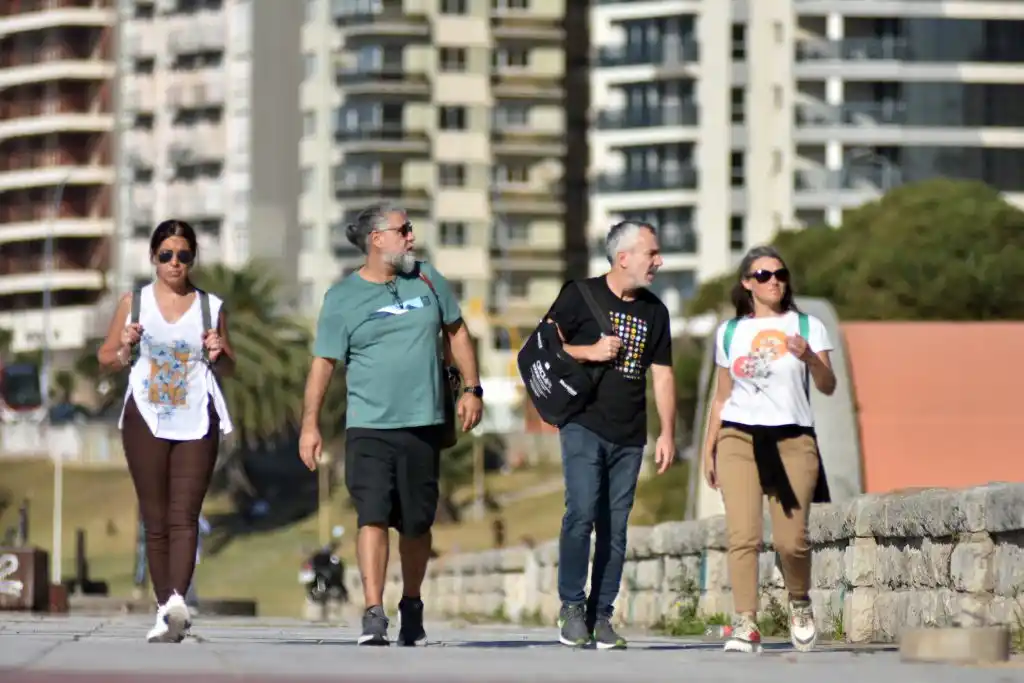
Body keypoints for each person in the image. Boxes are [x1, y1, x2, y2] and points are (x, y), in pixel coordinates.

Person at [298, 203, 483, 647]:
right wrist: (310, 425)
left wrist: (472, 389)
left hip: (423, 422)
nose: (411, 237)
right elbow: (323, 364)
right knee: (373, 514)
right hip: (369, 426)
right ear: (376, 239)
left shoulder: (426, 278)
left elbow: (457, 332)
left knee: (418, 523)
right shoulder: (342, 298)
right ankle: (374, 611)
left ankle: (412, 604)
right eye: (404, 230)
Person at [97, 219, 235, 643]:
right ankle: (165, 609)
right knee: (154, 518)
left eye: (184, 255)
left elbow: (229, 366)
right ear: (154, 258)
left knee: (185, 514)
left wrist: (219, 351)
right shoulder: (134, 303)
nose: (176, 263)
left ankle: (177, 601)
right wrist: (125, 346)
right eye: (167, 255)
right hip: (145, 416)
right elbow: (106, 356)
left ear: (193, 258)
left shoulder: (211, 306)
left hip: (198, 416)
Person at [545, 220, 676, 650]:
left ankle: (602, 615)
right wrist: (589, 351)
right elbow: (542, 348)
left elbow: (662, 375)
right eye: (650, 253)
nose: (658, 261)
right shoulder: (578, 295)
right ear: (623, 258)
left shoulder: (655, 311)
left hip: (630, 434)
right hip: (583, 423)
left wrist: (667, 433)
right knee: (580, 512)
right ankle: (571, 607)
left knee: (615, 528)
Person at [701, 245, 836, 654]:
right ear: (747, 284)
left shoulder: (809, 326)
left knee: (791, 541)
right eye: (763, 275)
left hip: (793, 439)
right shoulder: (730, 333)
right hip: (738, 438)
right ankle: (746, 622)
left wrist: (810, 357)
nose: (773, 280)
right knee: (743, 535)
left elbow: (828, 386)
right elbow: (722, 397)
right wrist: (710, 447)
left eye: (780, 274)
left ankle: (799, 601)